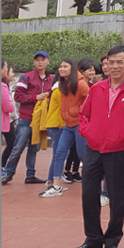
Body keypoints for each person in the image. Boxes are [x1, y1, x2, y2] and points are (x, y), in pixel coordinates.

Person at [72, 45, 124, 248]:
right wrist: (87, 132)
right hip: (94, 148)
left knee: (116, 196)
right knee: (88, 194)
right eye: (110, 62)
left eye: (119, 62)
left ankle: (112, 238)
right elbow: (83, 114)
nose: (114, 66)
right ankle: (93, 238)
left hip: (119, 150)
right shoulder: (97, 88)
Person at [2, 49, 55, 185]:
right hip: (26, 118)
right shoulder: (26, 77)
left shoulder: (52, 80)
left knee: (34, 148)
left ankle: (30, 175)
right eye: (37, 60)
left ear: (48, 62)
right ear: (34, 62)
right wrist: (35, 97)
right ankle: (8, 173)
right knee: (18, 147)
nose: (40, 62)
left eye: (43, 60)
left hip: (41, 120)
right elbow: (18, 96)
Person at [41, 59, 89, 197]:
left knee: (83, 155)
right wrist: (65, 114)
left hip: (79, 124)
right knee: (59, 153)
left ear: (72, 68)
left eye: (65, 66)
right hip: (68, 125)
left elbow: (91, 101)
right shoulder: (62, 85)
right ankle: (56, 185)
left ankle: (91, 183)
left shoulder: (81, 84)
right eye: (60, 66)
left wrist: (80, 113)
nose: (61, 69)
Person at [1, 60, 17, 169]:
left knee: (12, 143)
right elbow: (9, 107)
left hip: (9, 120)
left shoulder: (8, 86)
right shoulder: (3, 87)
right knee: (12, 143)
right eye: (6, 67)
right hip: (5, 120)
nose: (7, 70)